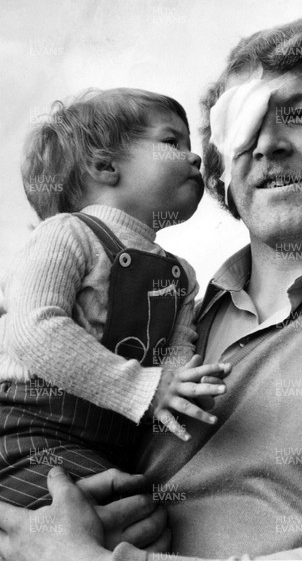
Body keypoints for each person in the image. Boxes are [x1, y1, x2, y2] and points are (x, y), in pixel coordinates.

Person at [1, 18, 302, 560]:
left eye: (301, 115)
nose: (267, 144)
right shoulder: (171, 319)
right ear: (224, 171)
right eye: (241, 125)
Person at [0, 88, 230, 509]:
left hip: (105, 444)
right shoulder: (67, 234)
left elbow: (177, 353)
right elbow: (33, 330)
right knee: (115, 519)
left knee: (140, 522)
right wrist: (146, 388)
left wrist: (180, 384)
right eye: (171, 142)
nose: (195, 157)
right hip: (29, 432)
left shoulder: (181, 275)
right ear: (105, 165)